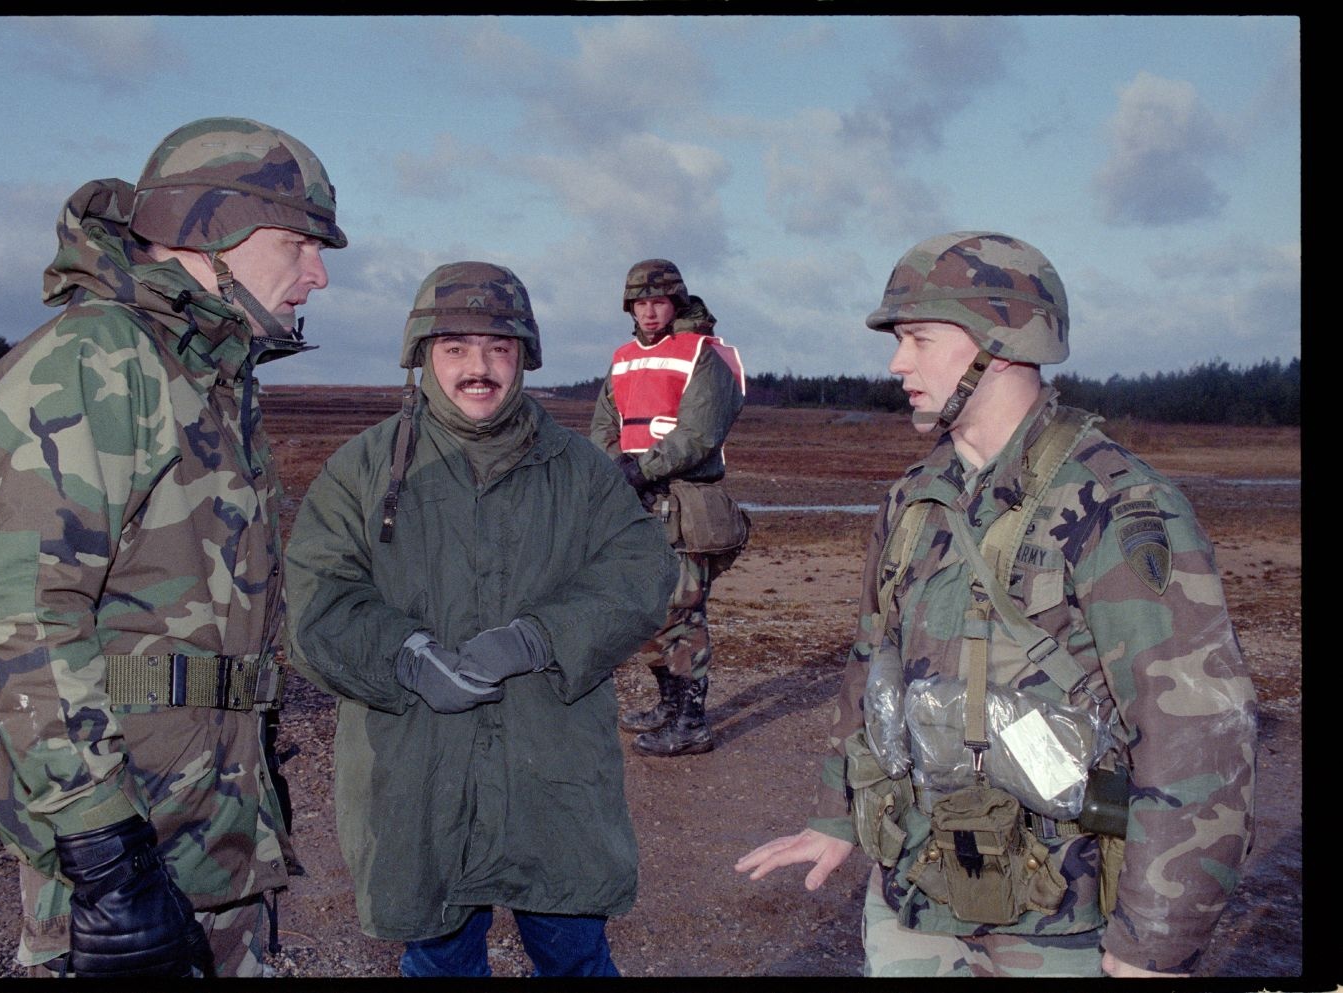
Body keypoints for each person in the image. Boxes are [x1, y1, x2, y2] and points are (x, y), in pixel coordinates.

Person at [735, 231, 1256, 978]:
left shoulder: (1118, 505)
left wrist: (1154, 945)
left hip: (1060, 921)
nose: (896, 362)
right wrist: (837, 814)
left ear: (1001, 342)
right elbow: (870, 663)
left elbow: (1197, 730)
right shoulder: (913, 499)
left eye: (917, 337)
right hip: (913, 896)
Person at [0, 117, 348, 977]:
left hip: (212, 825)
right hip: (128, 839)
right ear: (214, 233)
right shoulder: (92, 364)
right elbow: (26, 621)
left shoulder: (206, 372)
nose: (317, 274)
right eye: (300, 244)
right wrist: (107, 857)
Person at [285, 260, 677, 977]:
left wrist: (541, 637)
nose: (480, 368)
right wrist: (403, 656)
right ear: (423, 357)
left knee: (575, 953)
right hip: (416, 771)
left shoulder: (583, 471)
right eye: (457, 348)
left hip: (551, 768)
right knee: (438, 957)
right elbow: (316, 600)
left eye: (499, 349)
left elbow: (644, 571)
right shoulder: (361, 470)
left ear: (524, 357)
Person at [589, 259, 747, 757]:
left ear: (676, 301)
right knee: (648, 611)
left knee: (682, 612)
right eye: (640, 302)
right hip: (635, 501)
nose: (649, 311)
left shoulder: (704, 354)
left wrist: (641, 469)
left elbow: (701, 433)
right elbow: (604, 423)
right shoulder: (622, 357)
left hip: (684, 500)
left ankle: (692, 721)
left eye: (658, 301)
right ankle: (668, 706)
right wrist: (614, 466)